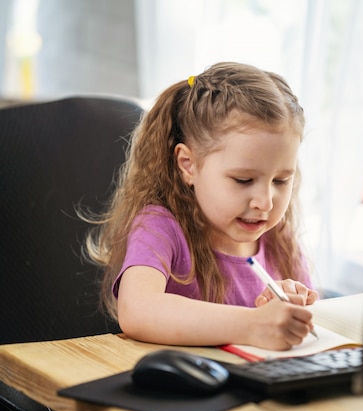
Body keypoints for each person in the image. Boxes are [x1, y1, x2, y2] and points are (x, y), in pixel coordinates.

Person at [83, 62, 318, 350]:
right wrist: (254, 323)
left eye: (281, 181)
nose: (265, 202)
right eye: (243, 180)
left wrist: (291, 309)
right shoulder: (160, 226)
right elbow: (137, 310)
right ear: (189, 165)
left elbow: (309, 322)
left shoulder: (279, 238)